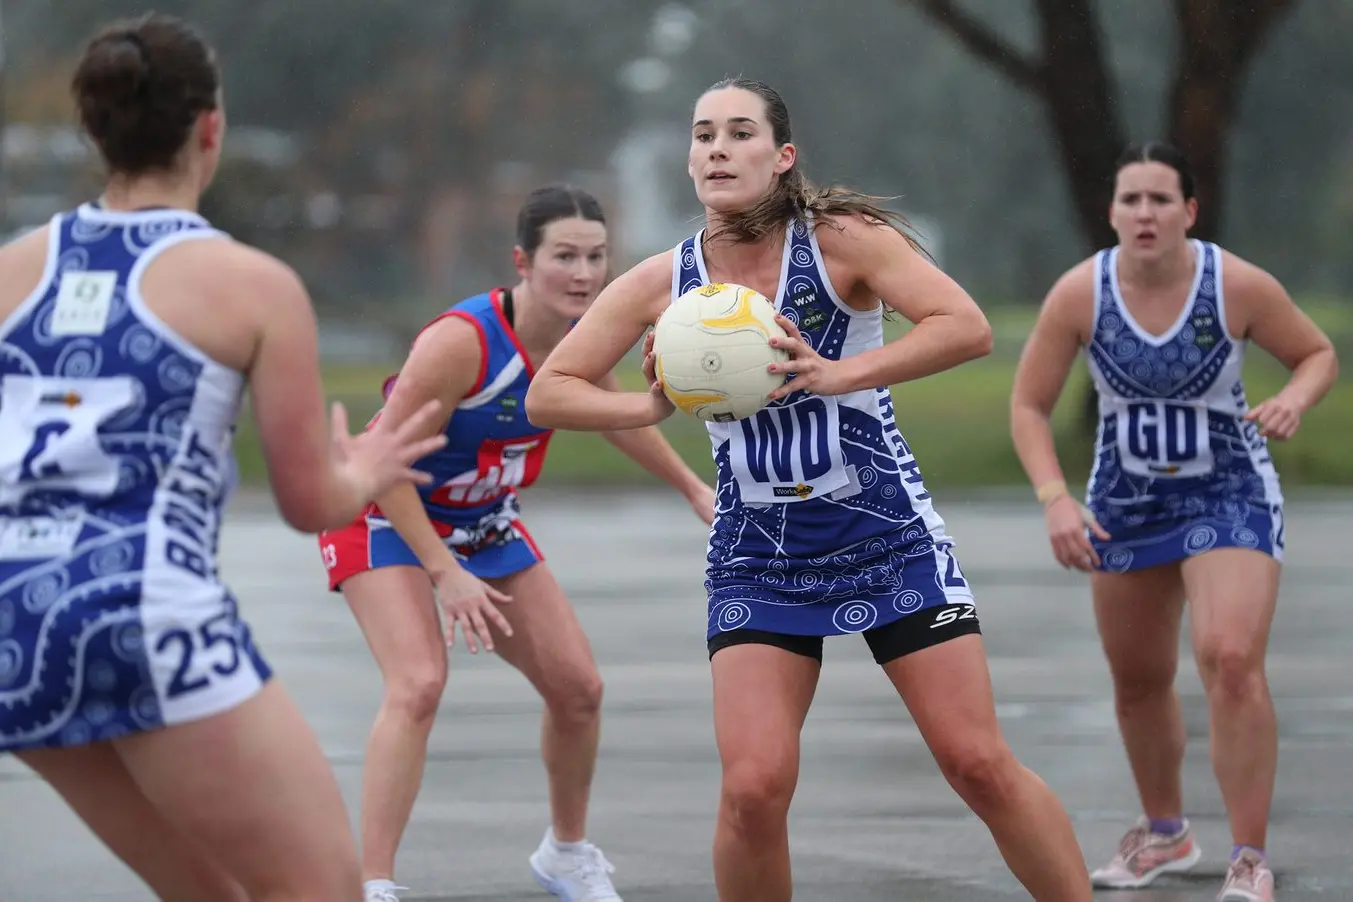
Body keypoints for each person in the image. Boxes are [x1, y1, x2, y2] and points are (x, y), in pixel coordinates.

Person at [523, 77, 1094, 902]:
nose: (717, 147)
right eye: (702, 134)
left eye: (739, 132)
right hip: (758, 556)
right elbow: (550, 388)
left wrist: (839, 373)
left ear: (781, 156)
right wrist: (650, 402)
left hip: (886, 538)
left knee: (976, 763)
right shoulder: (664, 281)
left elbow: (964, 326)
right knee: (752, 789)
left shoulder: (840, 243)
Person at [0, 13, 449, 902]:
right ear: (212, 128)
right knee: (320, 888)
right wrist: (368, 468)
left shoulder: (13, 268)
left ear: (95, 131)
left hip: (15, 616)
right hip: (140, 607)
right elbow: (307, 499)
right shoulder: (251, 285)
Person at [317, 183, 715, 902]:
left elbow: (613, 410)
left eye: (596, 257)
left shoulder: (579, 336)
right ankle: (371, 884)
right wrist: (443, 573)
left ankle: (565, 853)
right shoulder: (460, 342)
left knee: (579, 691)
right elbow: (382, 466)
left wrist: (691, 487)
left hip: (482, 521)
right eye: (564, 256)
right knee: (417, 684)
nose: (583, 274)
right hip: (382, 509)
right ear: (522, 262)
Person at [1009, 142, 1338, 902]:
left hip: (1228, 493)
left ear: (1189, 211)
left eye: (1161, 200)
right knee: (1137, 680)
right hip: (1126, 503)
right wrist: (1055, 497)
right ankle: (1165, 833)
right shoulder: (1079, 294)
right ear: (1111, 212)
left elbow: (1315, 353)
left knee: (1227, 659)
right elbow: (1028, 405)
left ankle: (1248, 857)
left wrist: (1294, 397)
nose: (1145, 214)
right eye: (1131, 200)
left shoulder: (1234, 286)